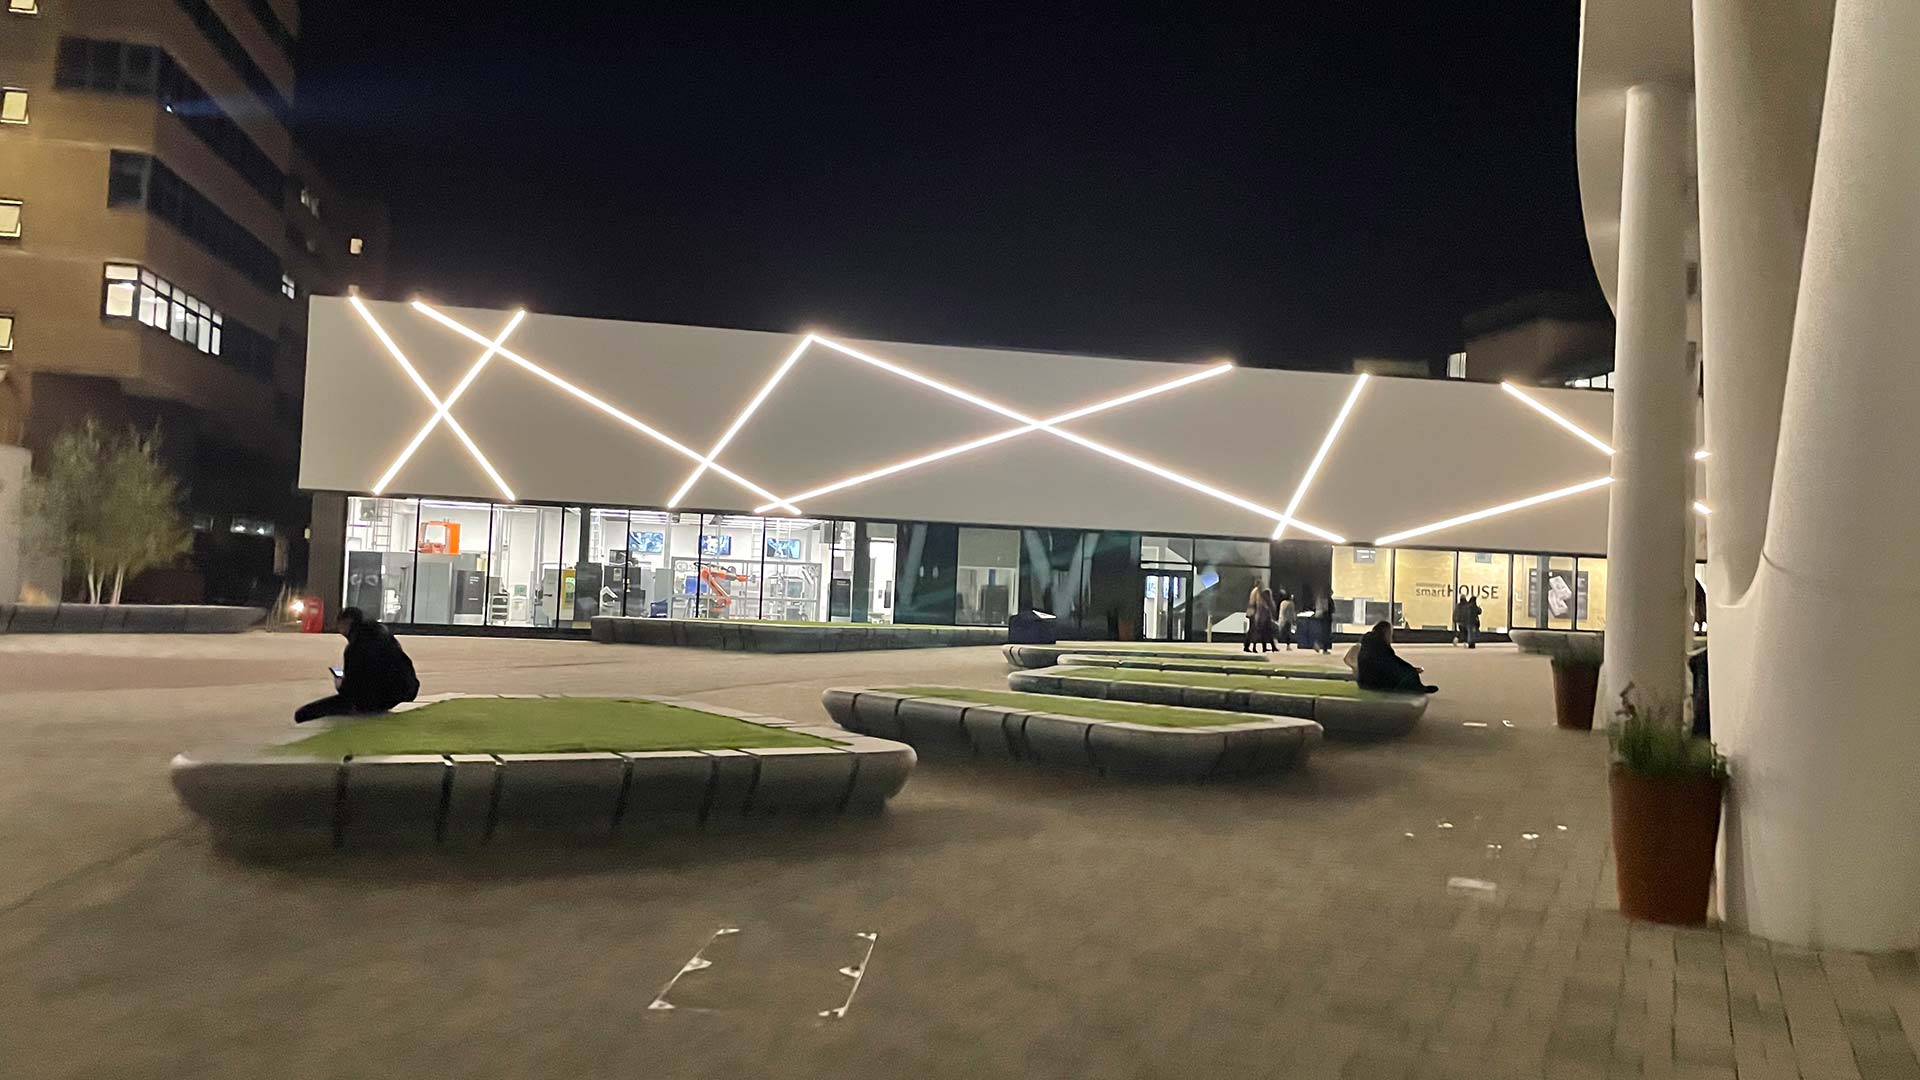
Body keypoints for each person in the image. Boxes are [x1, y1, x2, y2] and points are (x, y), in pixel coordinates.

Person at [294, 606, 420, 723]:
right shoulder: (384, 634)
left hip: (377, 695)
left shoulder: (355, 647)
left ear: (347, 623)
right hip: (404, 689)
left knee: (304, 713)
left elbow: (350, 689)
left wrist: (340, 684)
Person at [1353, 620, 1438, 694]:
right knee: (1407, 674)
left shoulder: (1368, 642)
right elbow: (1391, 662)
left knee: (1405, 670)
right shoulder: (1380, 646)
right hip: (1374, 682)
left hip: (1363, 680)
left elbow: (1389, 661)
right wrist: (1411, 669)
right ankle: (1419, 688)